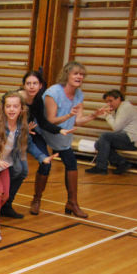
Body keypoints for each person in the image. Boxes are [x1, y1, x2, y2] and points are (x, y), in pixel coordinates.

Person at [0, 91, 52, 242]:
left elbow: (29, 144)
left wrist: (42, 157)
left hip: (5, 163)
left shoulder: (21, 126)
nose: (11, 109)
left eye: (15, 106)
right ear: (3, 108)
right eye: (8, 106)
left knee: (5, 196)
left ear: (21, 109)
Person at [38, 61, 99, 218]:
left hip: (63, 134)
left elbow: (77, 121)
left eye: (82, 74)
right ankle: (36, 199)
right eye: (76, 73)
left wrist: (93, 116)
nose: (79, 76)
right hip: (44, 132)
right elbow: (50, 121)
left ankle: (72, 203)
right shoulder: (53, 93)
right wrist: (69, 116)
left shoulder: (79, 95)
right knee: (46, 165)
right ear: (67, 75)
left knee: (71, 164)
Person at [21, 70, 75, 216]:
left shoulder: (38, 100)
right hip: (16, 134)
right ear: (23, 85)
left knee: (46, 162)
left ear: (40, 86)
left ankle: (36, 199)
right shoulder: (16, 97)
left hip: (34, 133)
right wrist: (23, 129)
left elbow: (43, 122)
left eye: (35, 83)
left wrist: (59, 130)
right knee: (16, 169)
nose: (32, 86)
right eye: (28, 83)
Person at [85, 89, 137, 175]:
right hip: (129, 138)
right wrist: (99, 113)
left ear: (119, 99)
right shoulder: (121, 108)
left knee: (105, 136)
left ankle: (101, 167)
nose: (109, 104)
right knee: (99, 144)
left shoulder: (125, 108)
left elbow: (116, 127)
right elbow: (117, 124)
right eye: (107, 102)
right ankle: (122, 163)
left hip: (132, 139)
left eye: (111, 101)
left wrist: (107, 115)